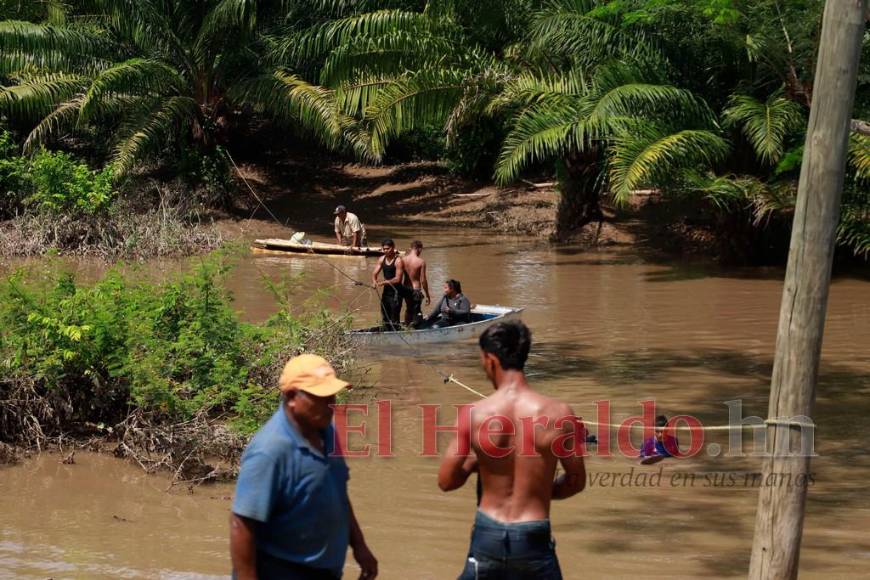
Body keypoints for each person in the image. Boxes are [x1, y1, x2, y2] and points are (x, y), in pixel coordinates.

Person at [438, 321, 586, 579]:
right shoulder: (559, 414)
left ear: (491, 359)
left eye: (482, 361)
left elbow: (446, 481)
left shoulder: (473, 414)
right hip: (533, 536)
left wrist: (477, 462)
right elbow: (576, 481)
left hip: (488, 535)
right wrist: (537, 490)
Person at [229, 354, 378, 580]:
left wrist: (359, 546)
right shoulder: (270, 451)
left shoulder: (327, 432)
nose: (331, 406)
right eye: (321, 398)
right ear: (291, 397)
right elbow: (241, 525)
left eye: (332, 397)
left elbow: (338, 494)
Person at [371, 239, 404, 330]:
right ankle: (386, 332)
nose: (386, 251)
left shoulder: (398, 261)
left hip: (396, 293)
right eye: (384, 249)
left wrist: (383, 282)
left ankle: (395, 334)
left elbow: (398, 279)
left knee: (394, 318)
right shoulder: (382, 259)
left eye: (388, 248)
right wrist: (374, 281)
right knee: (385, 316)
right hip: (386, 293)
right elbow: (374, 274)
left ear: (393, 248)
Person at [401, 240, 430, 327]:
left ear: (411, 248)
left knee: (408, 309)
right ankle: (417, 328)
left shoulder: (403, 260)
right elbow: (423, 280)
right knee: (417, 311)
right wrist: (427, 294)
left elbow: (398, 276)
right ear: (419, 249)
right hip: (416, 290)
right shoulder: (421, 262)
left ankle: (407, 326)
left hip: (405, 288)